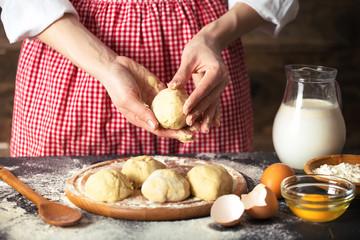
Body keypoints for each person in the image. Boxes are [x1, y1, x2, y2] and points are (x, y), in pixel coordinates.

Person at [0, 0, 298, 157]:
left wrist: (212, 38)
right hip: (76, 55)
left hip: (201, 64)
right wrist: (106, 64)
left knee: (210, 210)